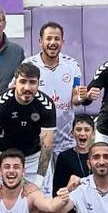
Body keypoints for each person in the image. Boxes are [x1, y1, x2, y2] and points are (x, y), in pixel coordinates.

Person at [0, 62, 57, 191]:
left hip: (33, 159)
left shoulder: (47, 105)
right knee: (1, 200)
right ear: (15, 82)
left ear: (38, 84)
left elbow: (47, 145)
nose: (27, 87)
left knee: (42, 201)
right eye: (22, 82)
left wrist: (38, 182)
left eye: (32, 82)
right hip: (4, 158)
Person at [23, 21, 83, 155]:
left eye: (57, 39)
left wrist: (82, 97)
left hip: (66, 143)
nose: (53, 42)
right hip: (37, 143)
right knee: (42, 170)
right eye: (48, 38)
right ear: (40, 41)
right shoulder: (28, 64)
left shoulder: (72, 64)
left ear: (62, 42)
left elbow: (75, 97)